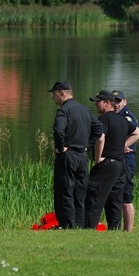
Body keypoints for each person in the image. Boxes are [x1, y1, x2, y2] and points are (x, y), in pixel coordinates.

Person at [49, 81, 104, 229]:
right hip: (82, 157)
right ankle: (79, 224)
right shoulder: (84, 109)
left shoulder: (64, 110)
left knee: (64, 190)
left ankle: (67, 225)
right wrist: (87, 145)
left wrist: (60, 147)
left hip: (68, 156)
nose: (52, 97)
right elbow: (98, 129)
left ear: (62, 93)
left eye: (54, 94)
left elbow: (59, 130)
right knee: (80, 192)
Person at [84, 90, 139, 230]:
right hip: (120, 164)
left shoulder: (104, 119)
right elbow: (137, 132)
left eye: (98, 102)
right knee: (114, 200)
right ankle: (114, 228)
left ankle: (88, 228)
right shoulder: (122, 120)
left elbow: (100, 138)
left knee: (94, 196)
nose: (96, 104)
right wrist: (122, 146)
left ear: (107, 103)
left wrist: (98, 158)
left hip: (107, 163)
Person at [112, 90, 139, 231]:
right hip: (118, 159)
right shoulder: (114, 116)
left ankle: (128, 230)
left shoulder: (126, 117)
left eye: (119, 101)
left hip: (127, 160)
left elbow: (137, 133)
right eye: (114, 101)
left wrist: (122, 146)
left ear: (125, 102)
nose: (116, 104)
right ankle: (116, 227)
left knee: (126, 196)